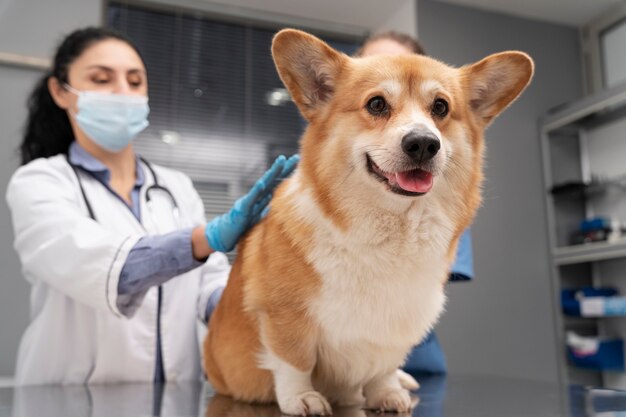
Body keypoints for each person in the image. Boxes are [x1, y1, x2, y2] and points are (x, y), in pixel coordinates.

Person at [6, 26, 298, 385]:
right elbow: (104, 266)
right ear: (60, 92)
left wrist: (260, 302)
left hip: (175, 397)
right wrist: (207, 238)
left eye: (134, 81)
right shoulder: (40, 182)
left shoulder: (175, 187)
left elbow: (208, 285)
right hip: (71, 400)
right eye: (101, 79)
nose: (122, 93)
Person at [356, 31, 475, 374]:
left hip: (410, 360)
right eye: (379, 101)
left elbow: (424, 280)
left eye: (436, 107)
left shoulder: (445, 206)